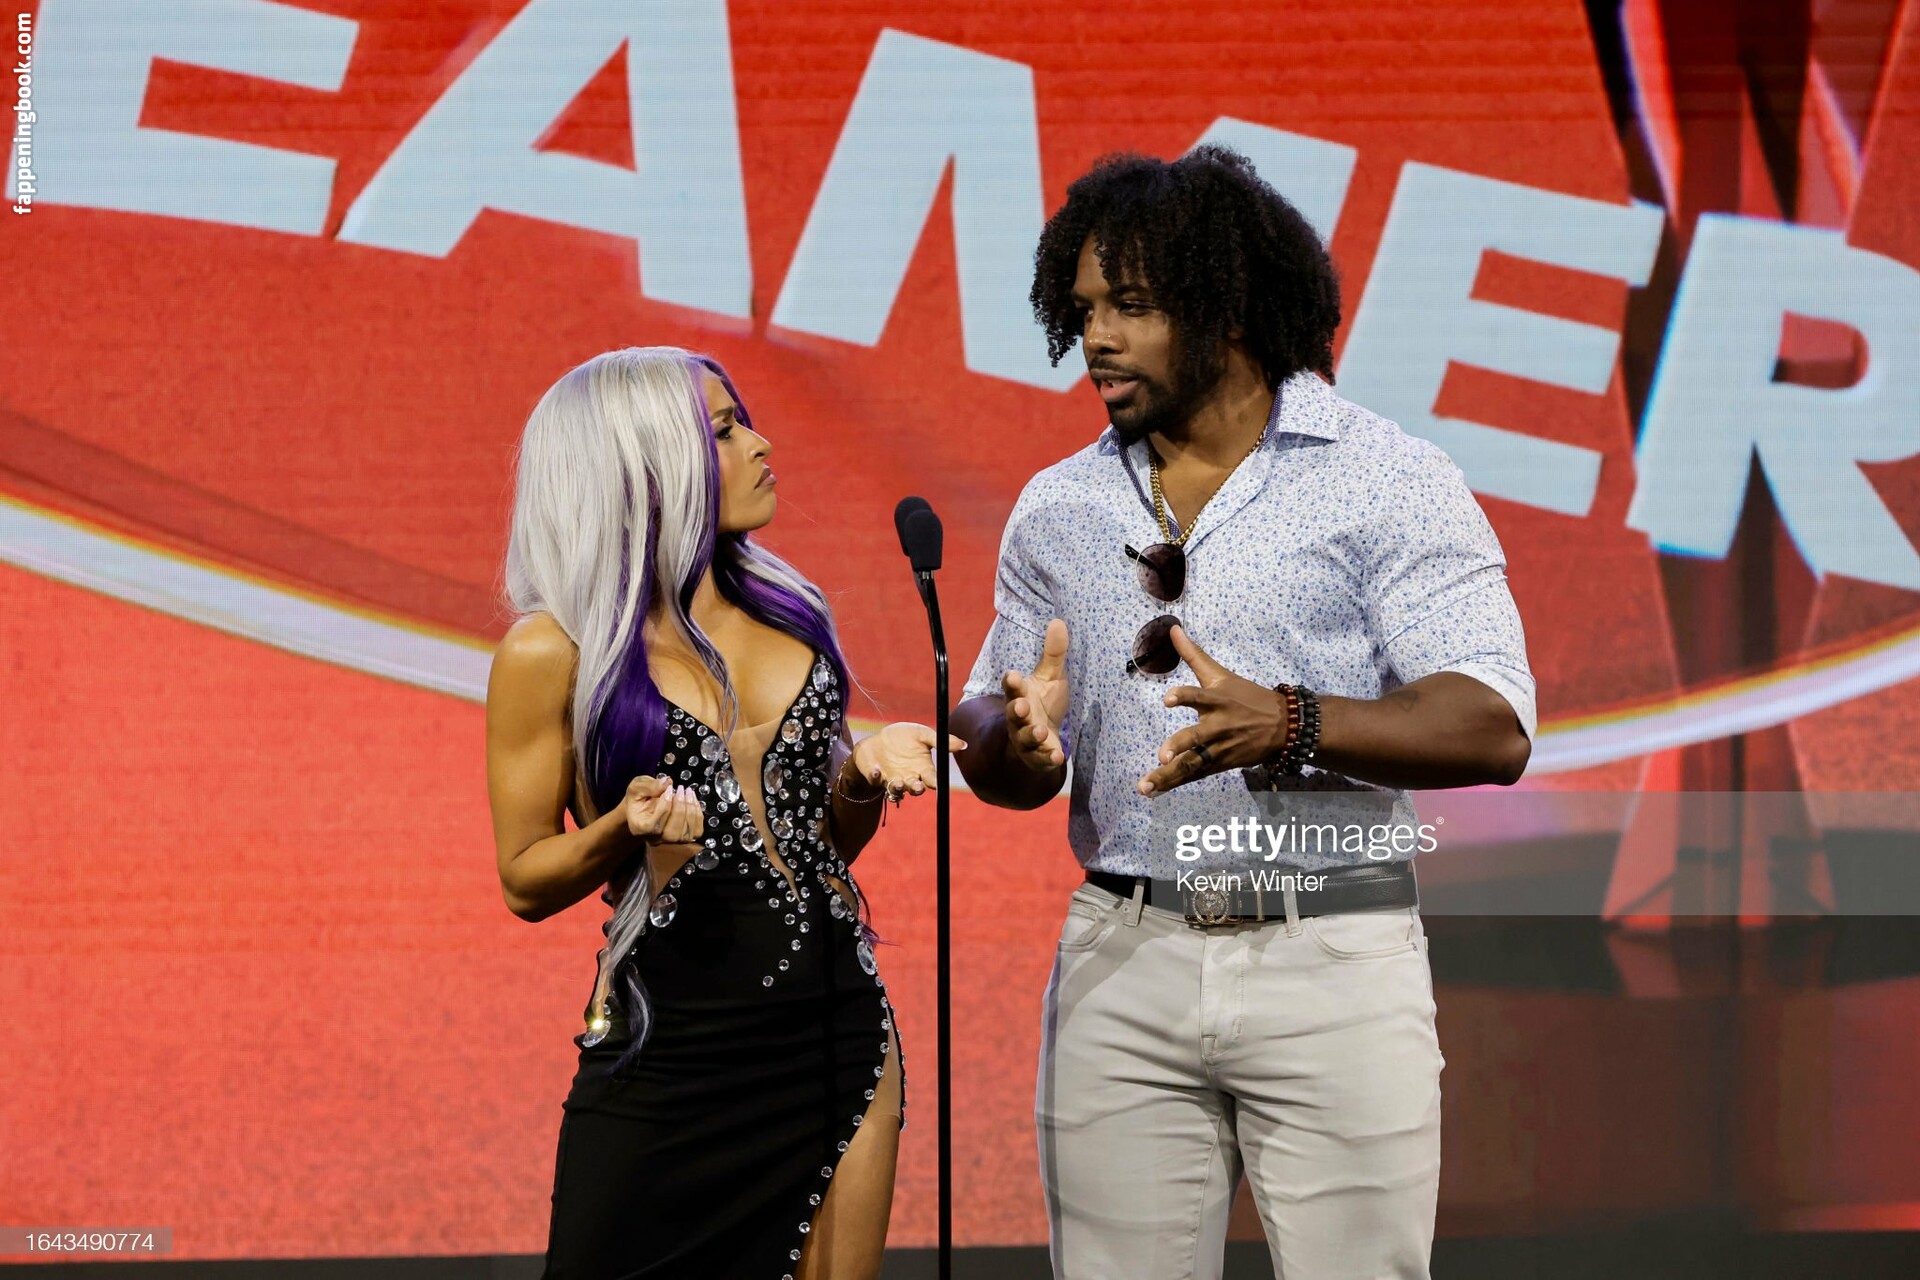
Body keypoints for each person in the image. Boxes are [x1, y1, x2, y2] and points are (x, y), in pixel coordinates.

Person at [953, 147, 1537, 1280]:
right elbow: (996, 727)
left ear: (1224, 308)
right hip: (1122, 958)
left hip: (1332, 955)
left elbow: (1491, 721)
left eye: (1132, 306)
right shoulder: (1059, 506)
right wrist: (1009, 737)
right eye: (1084, 310)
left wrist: (1292, 723)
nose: (1097, 339)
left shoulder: (1387, 476)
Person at [486, 346, 953, 1280]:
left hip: (836, 1039)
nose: (762, 444)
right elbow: (524, 879)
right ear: (647, 468)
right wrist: (622, 827)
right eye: (726, 431)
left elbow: (825, 844)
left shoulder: (792, 611)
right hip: (669, 1053)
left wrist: (862, 777)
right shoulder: (553, 652)